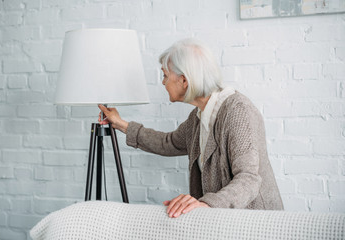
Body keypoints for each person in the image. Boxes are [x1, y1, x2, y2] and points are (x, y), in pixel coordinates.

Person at [98, 38, 284, 218]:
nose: (162, 82)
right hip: (224, 220)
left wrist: (206, 204)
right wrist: (120, 124)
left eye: (165, 75)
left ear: (184, 81)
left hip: (257, 222)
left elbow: (249, 179)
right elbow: (167, 143)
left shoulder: (237, 112)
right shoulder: (198, 117)